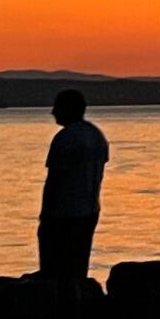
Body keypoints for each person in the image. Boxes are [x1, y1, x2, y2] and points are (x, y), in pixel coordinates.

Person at [37, 87, 109, 290]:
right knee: (78, 265)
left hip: (64, 212)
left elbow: (54, 180)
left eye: (57, 107)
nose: (53, 112)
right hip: (89, 209)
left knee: (55, 268)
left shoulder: (65, 138)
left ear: (69, 109)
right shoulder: (97, 136)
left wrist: (46, 213)